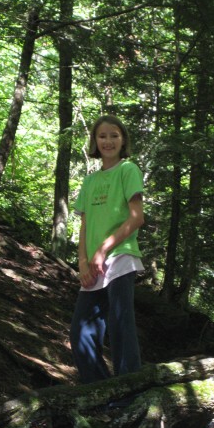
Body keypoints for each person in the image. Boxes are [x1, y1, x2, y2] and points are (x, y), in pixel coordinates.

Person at [70, 114, 145, 384]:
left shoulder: (128, 170)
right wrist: (83, 262)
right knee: (81, 332)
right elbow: (85, 225)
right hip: (93, 265)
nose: (108, 141)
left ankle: (128, 391)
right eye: (102, 136)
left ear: (123, 139)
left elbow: (137, 217)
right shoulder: (90, 182)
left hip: (120, 256)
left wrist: (103, 249)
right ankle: (100, 390)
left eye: (114, 135)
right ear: (95, 141)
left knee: (120, 323)